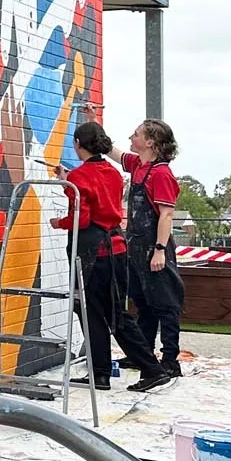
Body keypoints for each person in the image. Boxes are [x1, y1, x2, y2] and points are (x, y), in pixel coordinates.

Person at [52, 121, 166, 392]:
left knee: (101, 313)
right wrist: (69, 181)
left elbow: (82, 219)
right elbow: (99, 196)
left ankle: (151, 369)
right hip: (116, 248)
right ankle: (100, 374)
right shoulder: (113, 173)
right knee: (106, 312)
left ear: (78, 144)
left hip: (93, 253)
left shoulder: (79, 178)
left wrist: (59, 222)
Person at [120, 117, 185, 385]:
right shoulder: (138, 165)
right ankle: (142, 353)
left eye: (135, 135)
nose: (130, 139)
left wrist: (159, 250)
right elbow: (112, 151)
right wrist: (91, 121)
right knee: (143, 302)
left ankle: (170, 360)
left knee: (166, 304)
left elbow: (166, 215)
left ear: (150, 142)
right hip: (135, 245)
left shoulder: (161, 174)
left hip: (154, 246)